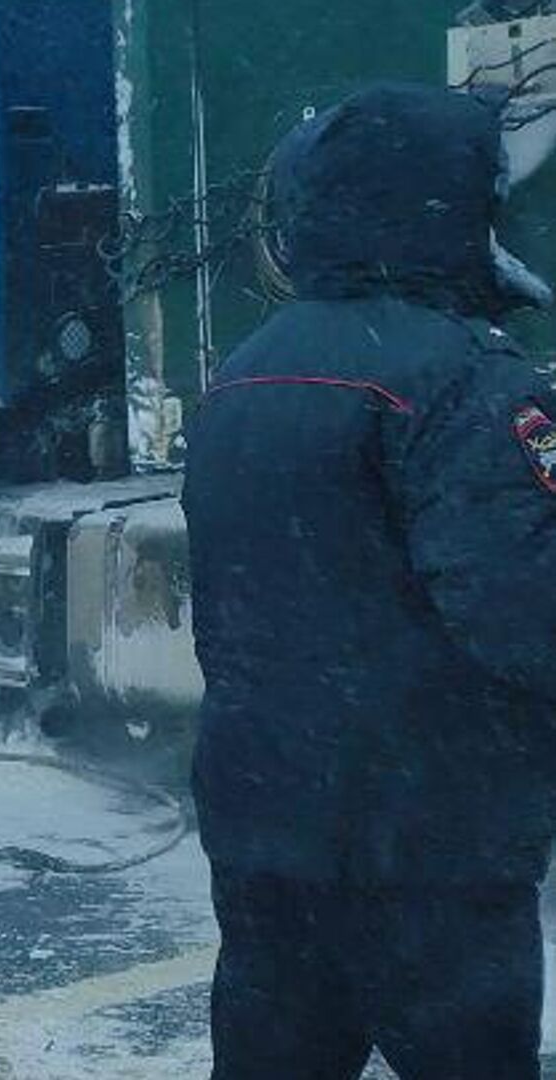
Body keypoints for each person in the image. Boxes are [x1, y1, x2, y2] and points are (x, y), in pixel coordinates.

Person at [183, 82, 556, 1079]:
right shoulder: (471, 381)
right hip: (434, 845)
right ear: (445, 209)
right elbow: (524, 615)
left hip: (264, 828)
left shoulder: (245, 373)